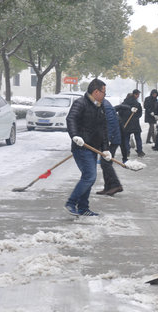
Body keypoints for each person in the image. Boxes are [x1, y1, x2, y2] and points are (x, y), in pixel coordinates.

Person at [64, 78, 112, 217]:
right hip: (81, 146)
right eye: (104, 92)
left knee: (88, 177)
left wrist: (105, 148)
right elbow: (71, 119)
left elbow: (103, 129)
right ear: (96, 91)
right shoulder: (81, 103)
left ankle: (83, 208)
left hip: (93, 148)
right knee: (90, 176)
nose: (104, 95)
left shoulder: (99, 106)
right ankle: (71, 203)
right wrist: (74, 136)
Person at [96, 98, 123, 197]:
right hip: (108, 139)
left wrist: (108, 139)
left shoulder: (105, 105)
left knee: (105, 163)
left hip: (111, 140)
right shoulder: (101, 104)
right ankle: (108, 187)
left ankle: (116, 185)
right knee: (105, 163)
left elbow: (110, 123)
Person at [116, 89, 144, 161]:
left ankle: (127, 151)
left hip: (126, 123)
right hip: (135, 123)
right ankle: (140, 151)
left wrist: (123, 119)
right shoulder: (137, 104)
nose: (138, 96)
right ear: (135, 94)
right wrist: (136, 117)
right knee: (138, 137)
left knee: (126, 138)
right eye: (138, 95)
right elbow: (140, 113)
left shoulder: (124, 103)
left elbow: (120, 113)